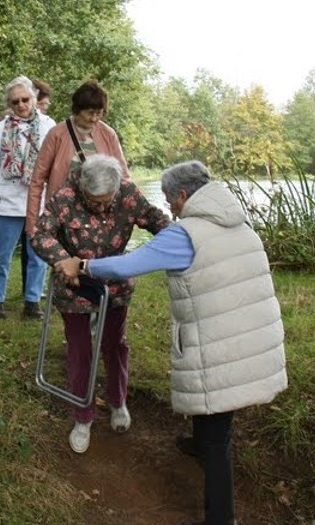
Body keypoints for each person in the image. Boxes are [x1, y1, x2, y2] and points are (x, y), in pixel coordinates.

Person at [61, 161, 289, 525]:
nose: (168, 208)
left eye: (169, 200)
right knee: (215, 411)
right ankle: (198, 445)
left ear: (183, 196)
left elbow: (126, 266)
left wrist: (82, 266)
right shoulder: (239, 224)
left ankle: (220, 518)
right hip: (256, 334)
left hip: (221, 343)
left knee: (218, 434)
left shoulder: (186, 235)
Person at [31, 154, 170, 454]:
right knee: (80, 350)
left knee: (114, 344)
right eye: (95, 202)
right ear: (82, 189)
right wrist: (61, 258)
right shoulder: (65, 197)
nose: (102, 207)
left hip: (113, 283)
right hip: (75, 284)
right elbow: (40, 234)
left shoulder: (128, 195)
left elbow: (157, 221)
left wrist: (183, 240)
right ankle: (83, 416)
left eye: (107, 200)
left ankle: (118, 402)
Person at [0, 76, 56, 319]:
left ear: (34, 99)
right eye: (15, 101)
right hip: (6, 201)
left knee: (37, 255)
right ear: (9, 104)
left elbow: (55, 166)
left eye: (25, 99)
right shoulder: (1, 128)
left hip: (37, 201)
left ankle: (32, 302)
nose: (20, 105)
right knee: (2, 255)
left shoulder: (49, 126)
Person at [26, 80, 129, 236]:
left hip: (100, 217)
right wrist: (32, 224)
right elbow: (37, 181)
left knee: (98, 260)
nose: (94, 118)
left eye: (99, 113)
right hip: (64, 216)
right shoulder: (57, 134)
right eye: (89, 113)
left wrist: (127, 214)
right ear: (77, 110)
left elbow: (124, 178)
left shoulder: (108, 134)